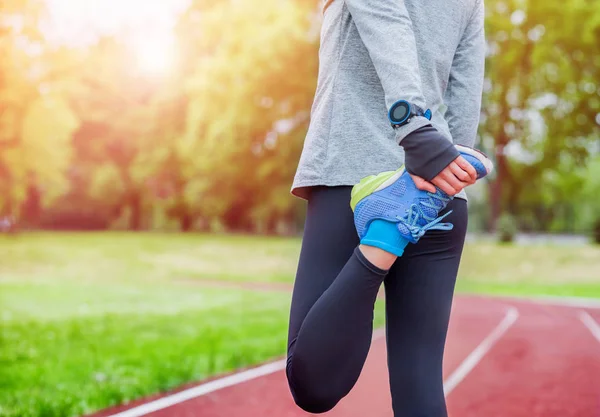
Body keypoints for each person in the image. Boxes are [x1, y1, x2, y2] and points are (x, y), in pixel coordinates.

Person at [286, 0, 489, 415]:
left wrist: (414, 131)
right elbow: (466, 84)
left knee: (313, 384)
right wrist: (446, 170)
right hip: (438, 190)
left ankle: (385, 233)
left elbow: (386, 19)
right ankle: (400, 218)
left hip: (351, 174)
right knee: (421, 384)